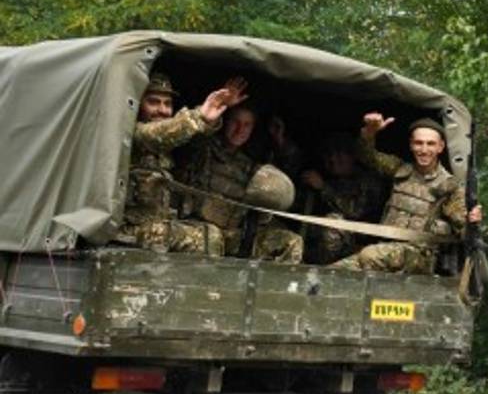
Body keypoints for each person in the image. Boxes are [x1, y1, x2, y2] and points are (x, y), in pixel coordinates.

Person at [331, 114, 481, 274]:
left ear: (441, 147)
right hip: (385, 250)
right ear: (411, 145)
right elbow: (368, 157)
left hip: (419, 257)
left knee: (369, 255)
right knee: (333, 274)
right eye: (419, 143)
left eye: (430, 144)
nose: (424, 150)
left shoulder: (449, 186)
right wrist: (369, 134)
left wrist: (472, 221)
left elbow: (465, 229)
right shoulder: (400, 170)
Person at [117, 72, 246, 255]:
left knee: (212, 234)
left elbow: (191, 139)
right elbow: (157, 134)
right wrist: (199, 115)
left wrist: (213, 115)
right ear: (138, 105)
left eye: (167, 104)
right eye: (153, 102)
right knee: (207, 239)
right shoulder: (133, 132)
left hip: (156, 226)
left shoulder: (167, 147)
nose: (162, 110)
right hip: (128, 229)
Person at [176, 103, 303, 263]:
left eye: (247, 125)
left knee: (291, 241)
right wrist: (210, 114)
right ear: (224, 122)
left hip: (233, 236)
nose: (240, 129)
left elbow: (280, 185)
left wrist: (280, 143)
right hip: (197, 228)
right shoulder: (203, 148)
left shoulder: (249, 164)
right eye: (235, 122)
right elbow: (193, 134)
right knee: (212, 238)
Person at [300, 133, 386, 264]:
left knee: (333, 222)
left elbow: (355, 211)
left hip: (358, 244)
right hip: (321, 243)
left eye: (339, 154)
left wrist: (323, 187)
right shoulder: (328, 177)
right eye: (328, 154)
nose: (333, 159)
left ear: (352, 157)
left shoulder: (368, 181)